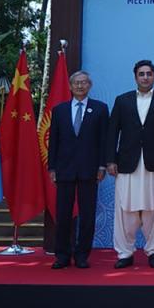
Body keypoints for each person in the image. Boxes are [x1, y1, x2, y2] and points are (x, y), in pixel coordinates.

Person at [107, 60, 154, 269]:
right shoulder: (123, 100)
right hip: (127, 163)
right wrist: (110, 160)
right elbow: (113, 132)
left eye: (149, 74)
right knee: (125, 209)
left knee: (153, 209)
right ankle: (125, 253)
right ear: (135, 77)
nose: (145, 77)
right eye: (141, 74)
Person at [48, 70, 109, 269]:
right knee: (63, 213)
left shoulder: (100, 109)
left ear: (90, 85)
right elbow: (53, 142)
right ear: (70, 86)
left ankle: (82, 254)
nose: (80, 86)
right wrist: (52, 167)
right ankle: (62, 255)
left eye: (84, 83)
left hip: (90, 169)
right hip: (64, 169)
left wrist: (102, 166)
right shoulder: (59, 110)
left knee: (88, 214)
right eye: (76, 83)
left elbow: (103, 142)